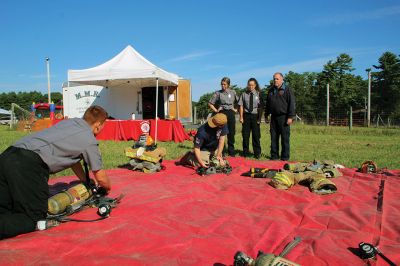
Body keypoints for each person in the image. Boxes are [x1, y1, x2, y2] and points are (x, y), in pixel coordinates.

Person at [0, 105, 111, 239]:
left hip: (8, 155)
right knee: (33, 217)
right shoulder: (89, 140)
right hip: (28, 165)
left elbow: (74, 161)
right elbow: (101, 177)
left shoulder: (71, 122)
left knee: (5, 206)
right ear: (98, 125)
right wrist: (106, 188)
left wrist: (85, 181)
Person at [264, 72, 296, 161]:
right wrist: (266, 115)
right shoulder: (271, 90)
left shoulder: (287, 90)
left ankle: (285, 157)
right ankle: (274, 156)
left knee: (285, 138)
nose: (275, 80)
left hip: (284, 117)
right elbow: (268, 104)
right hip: (273, 118)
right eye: (274, 78)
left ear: (282, 80)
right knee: (273, 137)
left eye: (277, 79)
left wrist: (290, 117)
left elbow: (291, 104)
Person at [208, 77, 238, 156]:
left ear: (228, 85)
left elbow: (239, 102)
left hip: (231, 113)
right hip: (222, 113)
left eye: (224, 84)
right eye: (221, 84)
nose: (222, 86)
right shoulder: (218, 93)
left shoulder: (233, 92)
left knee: (231, 132)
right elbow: (210, 103)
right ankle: (222, 151)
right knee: (222, 132)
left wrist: (235, 109)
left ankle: (231, 151)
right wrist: (216, 110)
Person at [238, 78, 263, 158]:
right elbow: (241, 106)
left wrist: (259, 119)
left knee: (256, 136)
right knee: (245, 135)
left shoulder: (259, 94)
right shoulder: (244, 94)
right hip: (246, 116)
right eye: (249, 85)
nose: (251, 86)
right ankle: (245, 152)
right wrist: (241, 117)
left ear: (255, 85)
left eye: (252, 85)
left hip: (255, 116)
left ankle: (257, 153)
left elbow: (260, 107)